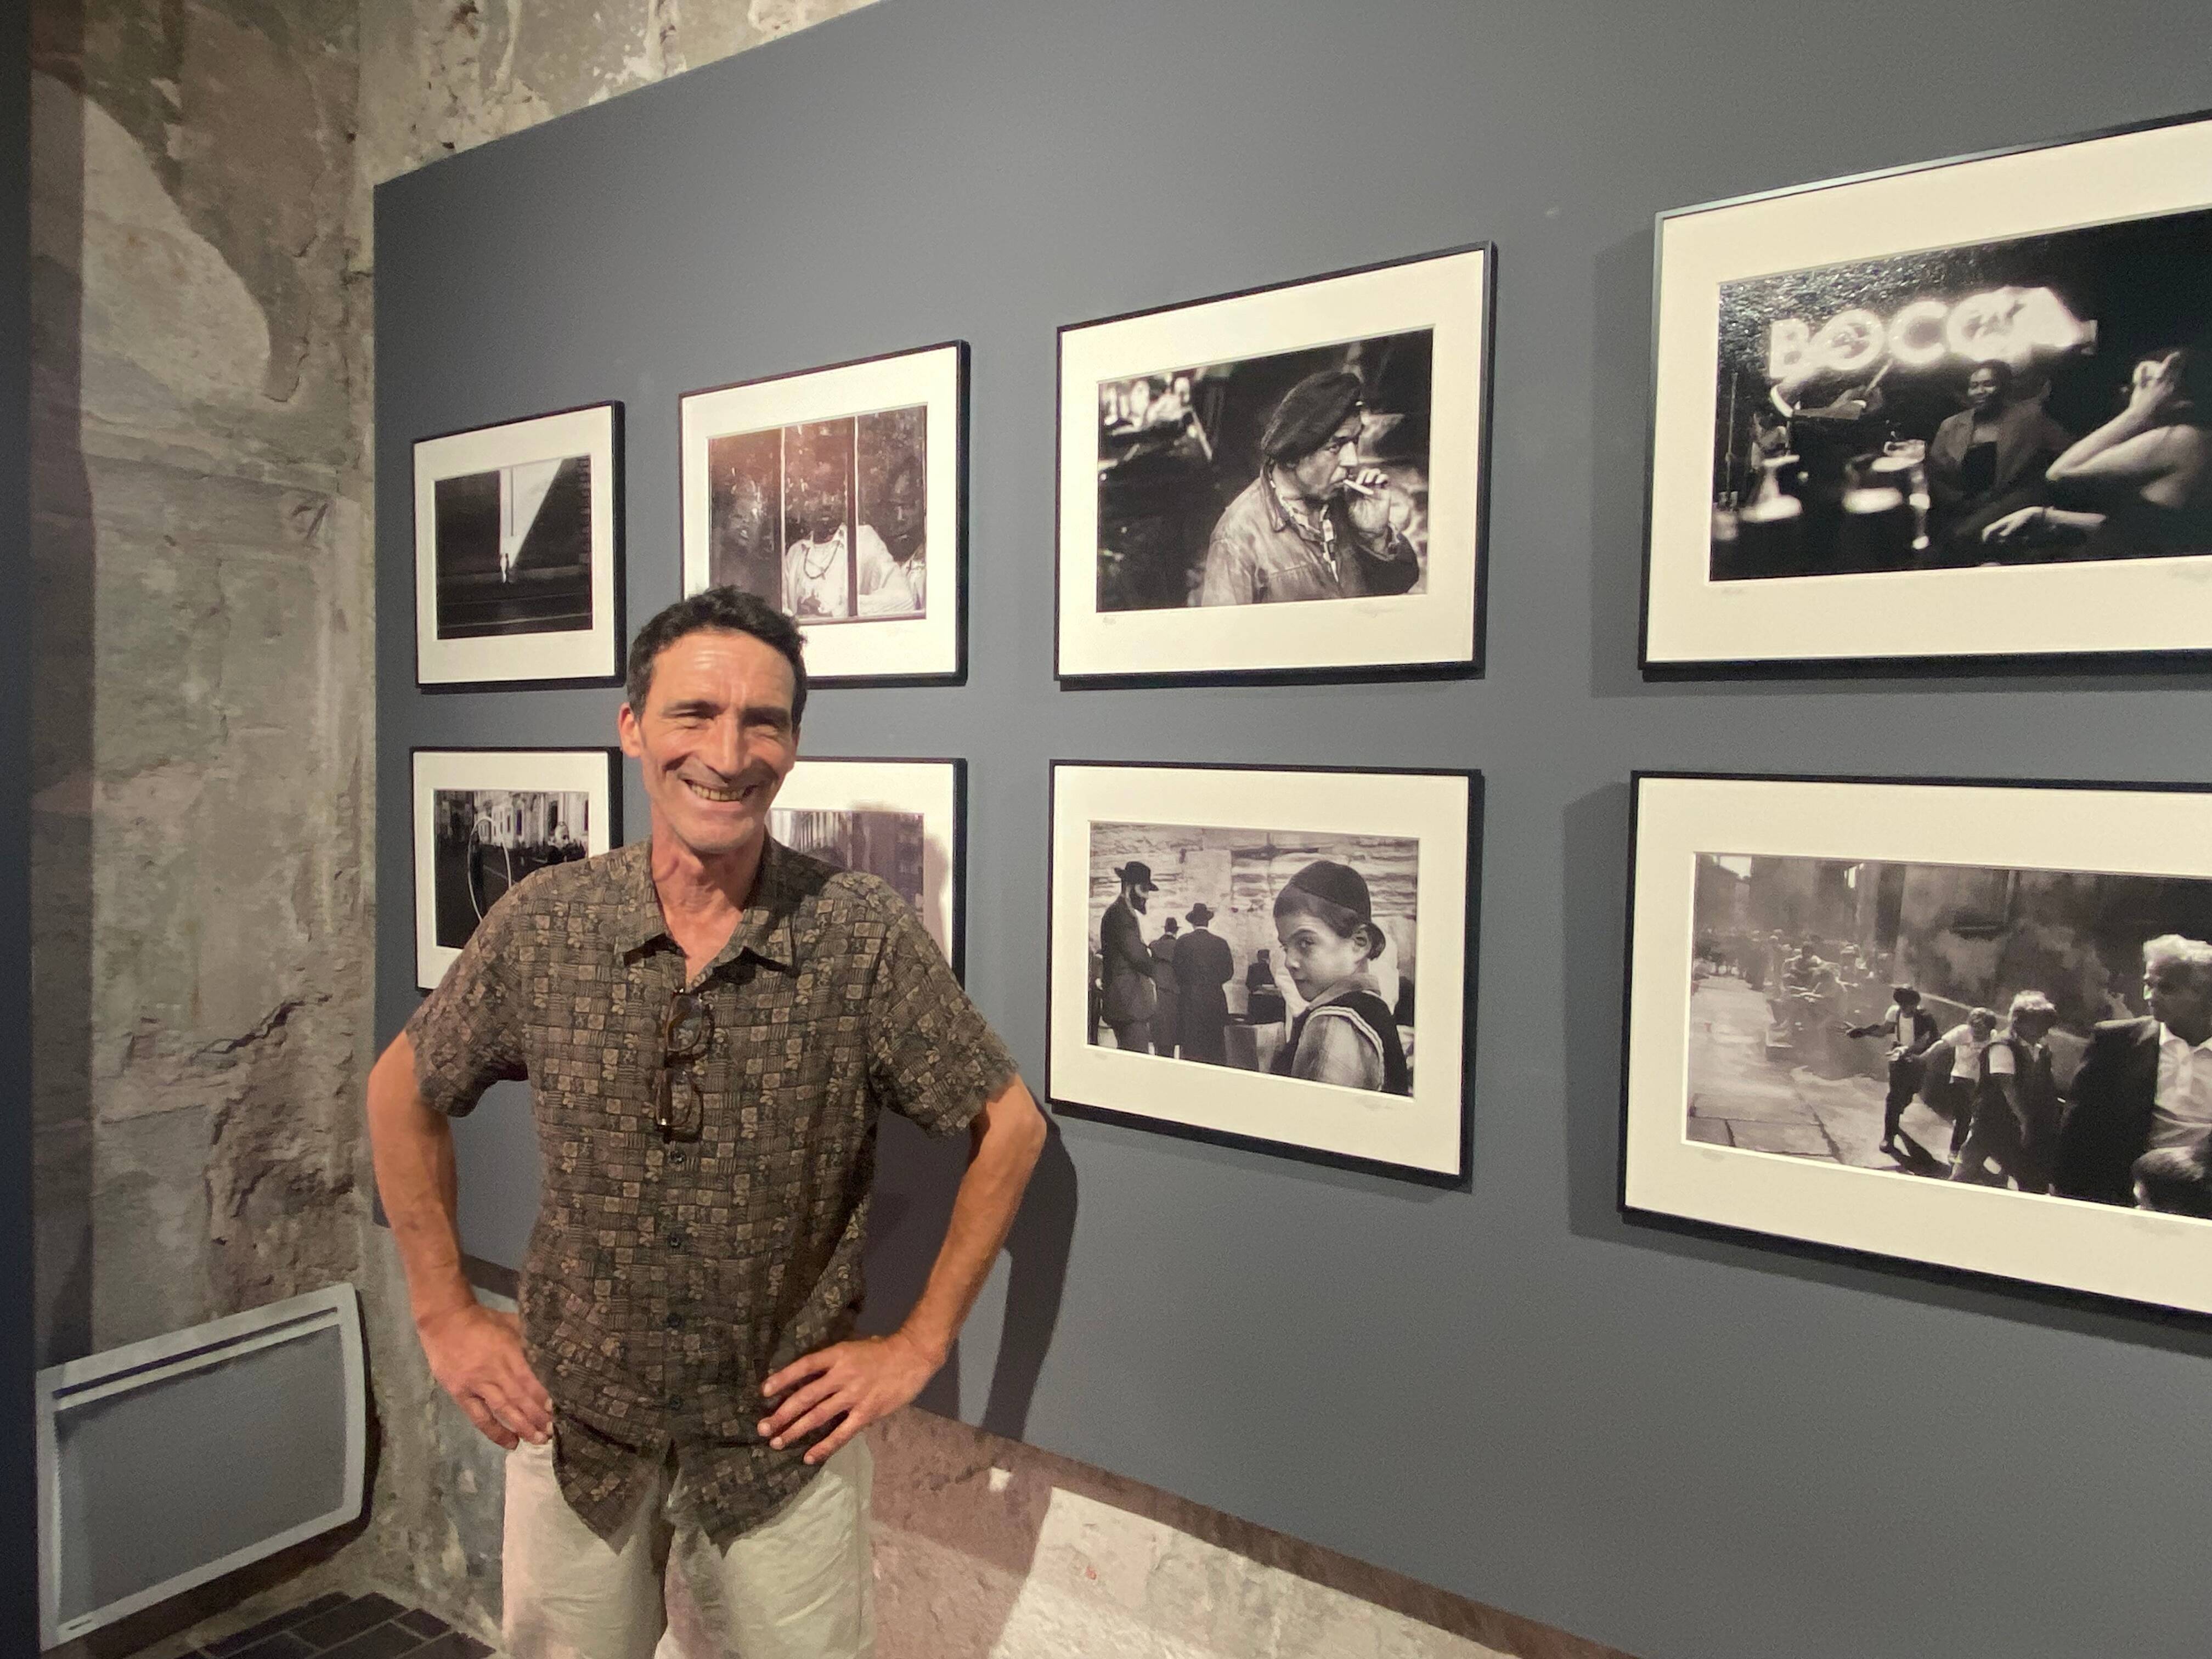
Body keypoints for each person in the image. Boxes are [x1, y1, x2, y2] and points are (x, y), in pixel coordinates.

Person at [366, 588, 1045, 1659]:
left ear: (794, 743)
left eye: (763, 721)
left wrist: (920, 1345)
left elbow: (1009, 1126)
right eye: (694, 713)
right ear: (632, 725)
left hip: (780, 1440)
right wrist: (445, 1312)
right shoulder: (549, 923)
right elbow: (402, 1091)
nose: (728, 753)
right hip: (576, 1418)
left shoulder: (855, 932)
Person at [1197, 370, 1422, 606]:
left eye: (1355, 441)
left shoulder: (1349, 505)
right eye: (1336, 446)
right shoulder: (1237, 537)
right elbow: (1225, 637)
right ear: (1293, 456)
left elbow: (1398, 590)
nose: (1352, 460)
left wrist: (1375, 537)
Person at [1982, 345, 2212, 560]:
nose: (2131, 393)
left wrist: (2138, 413)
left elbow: (2060, 474)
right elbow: (2138, 529)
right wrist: (2044, 516)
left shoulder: (2184, 440)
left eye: (2148, 385)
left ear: (2179, 393)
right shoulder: (2185, 439)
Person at [2053, 935, 2212, 1206]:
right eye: (2149, 984)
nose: (2149, 996)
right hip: (2127, 1198)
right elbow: (2077, 1134)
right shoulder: (2115, 1043)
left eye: (2167, 988)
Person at [1268, 860, 1410, 1096]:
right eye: (1286, 947)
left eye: (1306, 943)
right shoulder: (1371, 1010)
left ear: (1359, 943)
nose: (1289, 962)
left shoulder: (1334, 1022)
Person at [1923, 360, 2071, 558]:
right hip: (1964, 504)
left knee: (1960, 539)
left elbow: (2068, 452)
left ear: (2003, 387)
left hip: (2013, 498)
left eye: (1988, 384)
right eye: (1974, 386)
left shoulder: (2030, 418)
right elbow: (1938, 473)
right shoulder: (1951, 425)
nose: (1980, 391)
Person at [1950, 991, 2060, 1190]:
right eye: (2040, 1026)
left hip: (2012, 1123)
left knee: (2022, 1172)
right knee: (1969, 1166)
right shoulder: (2002, 1046)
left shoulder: (2037, 1048)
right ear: (2019, 1021)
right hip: (1993, 1118)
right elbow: (2007, 1087)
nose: (2044, 1032)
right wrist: (2025, 1121)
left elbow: (2042, 1082)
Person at [1844, 985, 1939, 1156]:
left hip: (1918, 1059)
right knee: (1894, 1097)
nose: (1905, 1008)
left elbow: (1926, 1041)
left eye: (1908, 1004)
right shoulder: (1895, 1013)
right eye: (1902, 1004)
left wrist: (1909, 1051)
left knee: (1911, 1092)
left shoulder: (1925, 1018)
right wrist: (1863, 1031)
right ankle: (1889, 1137)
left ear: (1915, 1004)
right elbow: (1883, 1030)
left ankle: (1899, 1108)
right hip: (1897, 1057)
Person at [1098, 861, 1160, 1053]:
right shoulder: (1121, 915)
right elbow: (1138, 957)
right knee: (1137, 1057)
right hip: (1128, 1005)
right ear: (1129, 887)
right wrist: (1153, 963)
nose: (1146, 897)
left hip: (1125, 1004)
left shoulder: (1121, 912)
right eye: (1143, 889)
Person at [1922, 1007, 1997, 1159]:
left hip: (1982, 1082)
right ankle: (1955, 1151)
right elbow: (1940, 1046)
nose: (1976, 1032)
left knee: (1980, 1120)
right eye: (1973, 1028)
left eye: (1981, 1029)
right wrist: (1922, 1059)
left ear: (1990, 1029)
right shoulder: (1963, 1032)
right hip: (1961, 1078)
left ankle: (1975, 1155)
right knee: (1964, 1117)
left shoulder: (1995, 1037)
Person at [857, 452, 925, 617]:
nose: (899, 517)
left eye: (908, 506)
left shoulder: (932, 568)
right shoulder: (875, 558)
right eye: (894, 507)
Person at [1171, 904, 1234, 1066]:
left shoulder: (1183, 942)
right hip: (1215, 1002)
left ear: (1192, 923)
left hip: (1190, 1002)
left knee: (1192, 1049)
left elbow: (1176, 972)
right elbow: (1228, 972)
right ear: (1208, 922)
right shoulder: (1221, 943)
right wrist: (1213, 983)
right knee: (1214, 1049)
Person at [1148, 916, 1182, 1059]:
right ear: (1176, 931)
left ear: (1165, 929)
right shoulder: (1180, 947)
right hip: (1176, 997)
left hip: (1158, 995)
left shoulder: (1154, 946)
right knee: (1173, 1036)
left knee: (1159, 1036)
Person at [1245, 949, 1286, 1028]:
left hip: (1262, 1000)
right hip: (1266, 1000)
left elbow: (1250, 984)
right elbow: (1250, 984)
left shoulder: (1257, 968)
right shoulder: (1257, 968)